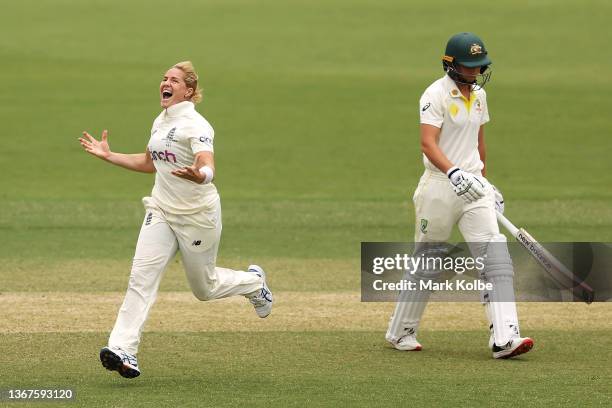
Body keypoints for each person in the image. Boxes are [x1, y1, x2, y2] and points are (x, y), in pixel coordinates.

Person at [78, 61, 273, 378]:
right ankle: (123, 349)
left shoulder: (197, 126)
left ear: (189, 91)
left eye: (174, 80)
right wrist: (109, 155)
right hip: (162, 211)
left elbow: (206, 162)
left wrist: (201, 176)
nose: (165, 83)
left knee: (204, 288)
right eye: (164, 78)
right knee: (140, 280)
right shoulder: (161, 120)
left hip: (197, 216)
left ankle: (254, 283)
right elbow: (148, 162)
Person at [385, 33, 533, 358]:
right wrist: (454, 173)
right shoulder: (434, 94)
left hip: (474, 187)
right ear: (451, 65)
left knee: (495, 257)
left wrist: (484, 180)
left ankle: (505, 337)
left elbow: (478, 142)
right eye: (470, 67)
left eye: (480, 67)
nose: (476, 73)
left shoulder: (480, 95)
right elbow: (428, 143)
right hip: (439, 187)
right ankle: (401, 331)